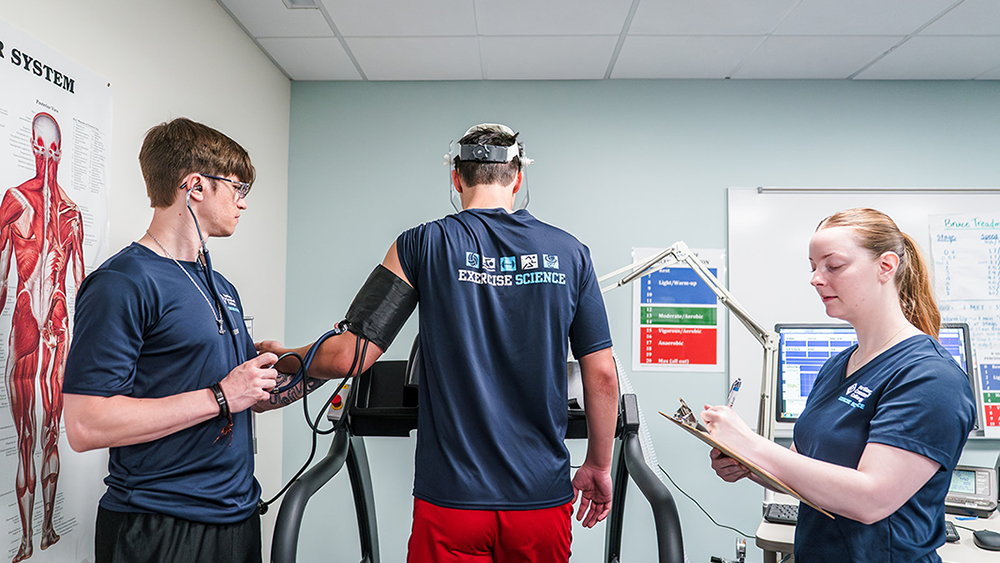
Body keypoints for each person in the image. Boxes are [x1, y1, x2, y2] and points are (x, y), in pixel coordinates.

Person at [258, 123, 620, 562]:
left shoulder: (422, 244)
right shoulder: (571, 253)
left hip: (451, 502)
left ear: (456, 178)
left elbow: (351, 355)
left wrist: (286, 358)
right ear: (518, 177)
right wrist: (599, 465)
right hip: (539, 502)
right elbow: (601, 376)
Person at [61, 118, 279, 563]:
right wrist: (221, 395)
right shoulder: (122, 283)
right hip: (159, 525)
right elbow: (86, 425)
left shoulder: (220, 285)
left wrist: (308, 370)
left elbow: (242, 396)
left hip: (235, 518)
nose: (243, 203)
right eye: (237, 188)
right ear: (195, 186)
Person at [704, 207, 975, 562]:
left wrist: (751, 443)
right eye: (813, 267)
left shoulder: (931, 377)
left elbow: (870, 499)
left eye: (832, 266)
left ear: (886, 267)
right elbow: (803, 468)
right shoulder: (837, 366)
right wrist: (747, 465)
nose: (816, 278)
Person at [1, 112, 86, 562]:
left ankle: (47, 529)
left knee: (49, 432)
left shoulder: (72, 213)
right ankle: (27, 540)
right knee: (26, 437)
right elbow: (1, 280)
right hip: (26, 324)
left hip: (54, 323)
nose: (48, 158)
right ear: (34, 147)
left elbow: (80, 286)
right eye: (42, 148)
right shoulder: (15, 199)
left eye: (53, 150)